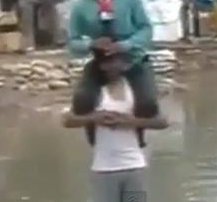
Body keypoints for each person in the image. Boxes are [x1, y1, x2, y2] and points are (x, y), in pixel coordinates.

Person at [68, 0, 159, 148]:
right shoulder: (80, 5)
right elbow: (72, 42)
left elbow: (146, 29)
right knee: (81, 100)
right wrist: (91, 44)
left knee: (148, 103)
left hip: (132, 59)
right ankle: (94, 137)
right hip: (101, 61)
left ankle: (139, 135)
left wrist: (126, 45)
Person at [62, 54, 168, 202]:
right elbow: (67, 121)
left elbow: (162, 122)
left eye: (117, 61)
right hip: (104, 168)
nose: (113, 66)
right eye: (108, 62)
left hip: (134, 166)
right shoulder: (92, 92)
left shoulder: (137, 91)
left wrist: (132, 122)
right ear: (101, 65)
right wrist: (94, 118)